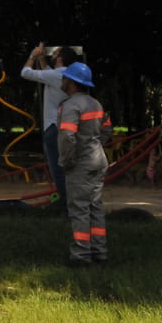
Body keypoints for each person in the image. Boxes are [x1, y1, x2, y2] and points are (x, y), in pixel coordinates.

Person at [57, 62, 109, 266]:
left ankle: (81, 255)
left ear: (71, 82)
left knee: (79, 209)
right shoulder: (95, 103)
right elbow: (106, 129)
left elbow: (67, 137)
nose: (61, 80)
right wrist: (94, 145)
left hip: (81, 164)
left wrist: (68, 160)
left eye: (64, 77)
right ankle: (99, 251)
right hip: (98, 160)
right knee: (95, 207)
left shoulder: (70, 106)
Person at [21, 42, 77, 205]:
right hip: (68, 127)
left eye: (56, 54)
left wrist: (33, 55)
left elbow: (25, 72)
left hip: (53, 128)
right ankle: (72, 201)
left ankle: (66, 204)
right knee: (69, 167)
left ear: (61, 59)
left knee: (57, 170)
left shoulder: (56, 75)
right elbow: (48, 75)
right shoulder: (68, 75)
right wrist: (42, 60)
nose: (54, 56)